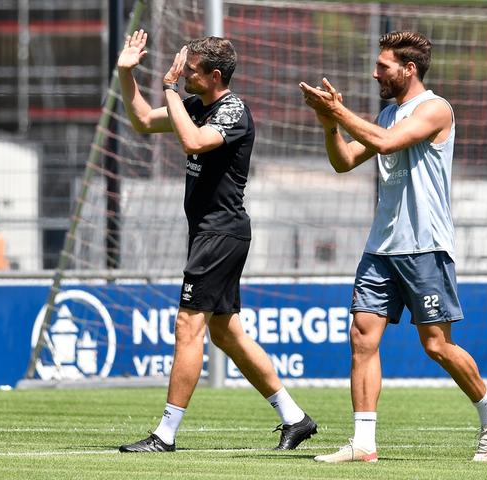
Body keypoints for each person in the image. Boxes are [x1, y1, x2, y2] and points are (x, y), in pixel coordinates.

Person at [300, 31, 487, 463]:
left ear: (408, 69)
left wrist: (339, 110)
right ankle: (363, 443)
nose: (375, 72)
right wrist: (329, 125)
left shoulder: (435, 109)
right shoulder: (387, 112)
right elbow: (343, 161)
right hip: (381, 246)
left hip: (424, 245)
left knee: (436, 345)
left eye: (383, 66)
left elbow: (387, 143)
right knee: (362, 337)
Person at [115, 30, 317, 452]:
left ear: (215, 75)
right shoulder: (194, 103)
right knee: (225, 334)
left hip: (221, 232)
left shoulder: (233, 112)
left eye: (191, 71)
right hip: (209, 232)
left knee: (188, 325)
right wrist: (125, 75)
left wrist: (169, 89)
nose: (183, 74)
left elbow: (192, 141)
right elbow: (141, 120)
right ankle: (295, 418)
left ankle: (165, 434)